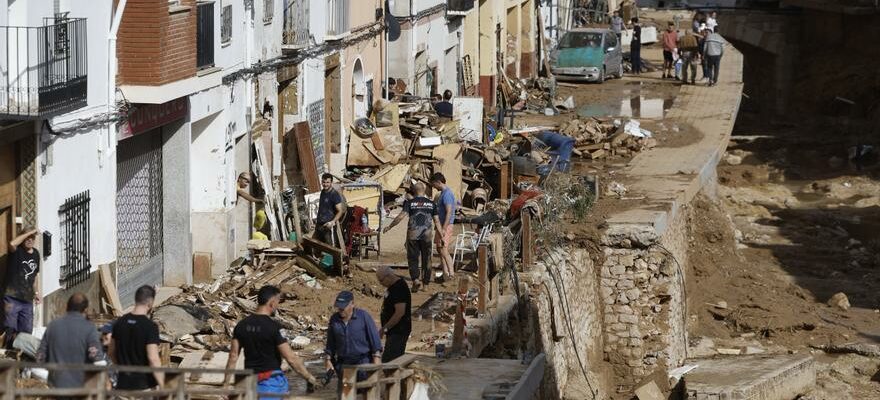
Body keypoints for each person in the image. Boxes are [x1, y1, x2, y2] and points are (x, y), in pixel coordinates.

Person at [226, 285, 321, 397]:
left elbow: (233, 356)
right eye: (277, 302)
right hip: (271, 382)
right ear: (271, 303)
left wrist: (225, 384)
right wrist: (309, 377)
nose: (277, 305)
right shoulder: (274, 327)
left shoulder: (241, 325)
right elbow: (290, 358)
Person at [382, 183, 443, 292]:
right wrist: (441, 235)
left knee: (413, 258)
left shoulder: (410, 203)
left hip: (413, 235)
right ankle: (426, 285)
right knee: (427, 259)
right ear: (424, 190)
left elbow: (400, 217)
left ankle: (415, 280)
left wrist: (389, 226)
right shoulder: (431, 204)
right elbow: (437, 221)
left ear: (414, 191)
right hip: (427, 236)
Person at [36, 293, 105, 389]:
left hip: (55, 385)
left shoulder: (53, 325)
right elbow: (98, 361)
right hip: (80, 386)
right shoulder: (89, 328)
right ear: (85, 310)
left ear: (67, 307)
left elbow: (40, 357)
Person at [110, 285, 164, 390]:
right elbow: (153, 359)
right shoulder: (150, 327)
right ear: (150, 302)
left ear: (136, 299)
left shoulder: (119, 323)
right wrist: (162, 384)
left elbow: (111, 352)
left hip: (122, 385)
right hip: (143, 386)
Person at [324, 291, 382, 380]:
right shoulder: (334, 320)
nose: (340, 309)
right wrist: (328, 359)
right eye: (339, 306)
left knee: (365, 391)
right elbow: (330, 343)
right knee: (347, 392)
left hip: (363, 363)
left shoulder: (363, 317)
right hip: (344, 365)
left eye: (343, 307)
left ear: (352, 304)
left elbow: (374, 339)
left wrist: (376, 360)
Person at [4, 227, 41, 345]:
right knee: (10, 329)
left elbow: (35, 276)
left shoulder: (36, 254)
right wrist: (30, 232)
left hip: (27, 300)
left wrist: (36, 292)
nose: (30, 240)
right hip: (12, 297)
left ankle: (23, 358)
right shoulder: (16, 251)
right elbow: (11, 243)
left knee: (26, 331)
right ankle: (9, 356)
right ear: (23, 237)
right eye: (27, 237)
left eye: (32, 238)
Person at [376, 266, 411, 362]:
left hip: (399, 330)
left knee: (390, 360)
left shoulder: (399, 288)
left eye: (381, 280)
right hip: (392, 331)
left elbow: (399, 313)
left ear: (388, 276)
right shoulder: (392, 287)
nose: (381, 283)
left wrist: (385, 328)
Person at [430, 173, 456, 282]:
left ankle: (451, 274)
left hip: (445, 225)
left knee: (444, 249)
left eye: (434, 184)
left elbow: (449, 212)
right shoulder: (442, 194)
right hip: (440, 225)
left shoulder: (447, 194)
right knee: (439, 248)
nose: (434, 187)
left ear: (438, 182)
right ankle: (445, 273)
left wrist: (444, 229)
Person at [315, 173, 345, 246]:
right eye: (324, 182)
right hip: (319, 224)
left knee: (330, 247)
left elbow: (340, 211)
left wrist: (332, 222)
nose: (325, 184)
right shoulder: (323, 192)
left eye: (327, 182)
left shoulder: (334, 194)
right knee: (319, 246)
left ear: (331, 182)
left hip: (328, 226)